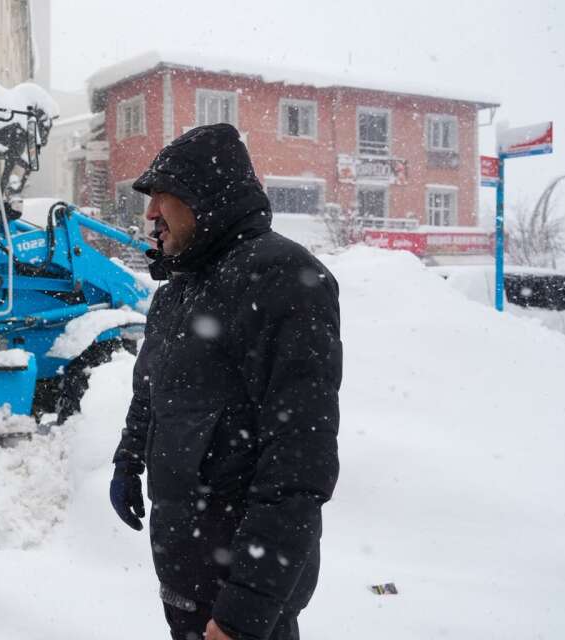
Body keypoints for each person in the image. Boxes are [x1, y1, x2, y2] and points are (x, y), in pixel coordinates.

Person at [109, 123, 342, 640]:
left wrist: (242, 615)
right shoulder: (178, 290)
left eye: (163, 197)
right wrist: (128, 459)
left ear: (204, 200)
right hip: (186, 571)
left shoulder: (282, 278)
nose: (150, 214)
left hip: (241, 596)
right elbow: (150, 388)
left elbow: (299, 465)